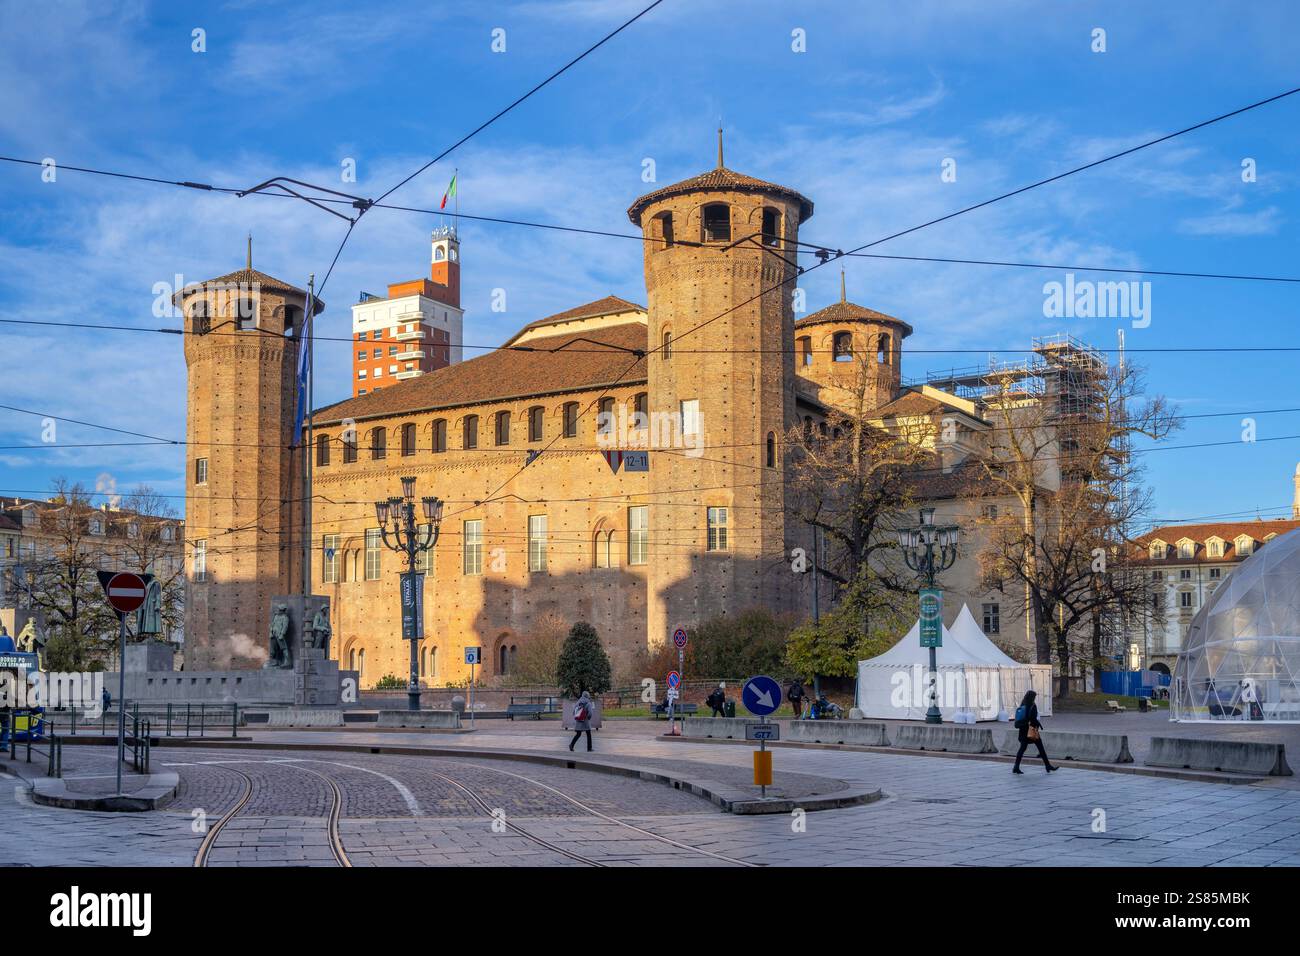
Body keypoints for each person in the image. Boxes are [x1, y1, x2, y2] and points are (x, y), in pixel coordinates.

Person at [1012, 690, 1057, 774]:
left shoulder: (1023, 704)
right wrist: (1038, 725)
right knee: (1041, 748)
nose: (1035, 698)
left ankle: (1016, 766)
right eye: (1034, 697)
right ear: (1032, 697)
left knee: (1022, 749)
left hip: (1022, 730)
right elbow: (1033, 718)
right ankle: (1048, 766)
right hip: (1031, 730)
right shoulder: (1033, 705)